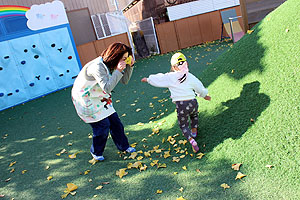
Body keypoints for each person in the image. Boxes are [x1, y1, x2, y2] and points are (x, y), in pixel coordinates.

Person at [72, 42, 136, 162]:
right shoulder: (97, 66)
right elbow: (107, 87)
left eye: (126, 58)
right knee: (102, 126)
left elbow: (125, 81)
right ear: (114, 56)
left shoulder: (109, 64)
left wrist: (129, 67)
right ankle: (96, 152)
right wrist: (118, 70)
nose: (124, 61)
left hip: (100, 99)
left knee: (116, 123)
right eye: (123, 58)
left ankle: (124, 146)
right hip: (86, 100)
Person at [141, 52, 211, 153]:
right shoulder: (190, 76)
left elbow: (160, 78)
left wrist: (148, 79)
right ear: (186, 64)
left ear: (173, 67)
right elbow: (199, 86)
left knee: (183, 125)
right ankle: (194, 131)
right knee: (194, 115)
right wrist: (204, 95)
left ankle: (192, 140)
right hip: (193, 102)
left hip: (181, 105)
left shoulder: (170, 77)